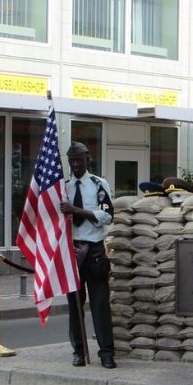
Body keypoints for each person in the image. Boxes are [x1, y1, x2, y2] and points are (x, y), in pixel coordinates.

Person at [60, 142, 116, 369]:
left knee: (100, 304)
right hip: (72, 251)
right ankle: (79, 352)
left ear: (87, 158)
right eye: (71, 160)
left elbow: (107, 215)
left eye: (79, 160)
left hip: (93, 251)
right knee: (74, 305)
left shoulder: (98, 184)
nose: (75, 164)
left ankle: (106, 353)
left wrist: (77, 211)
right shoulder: (63, 188)